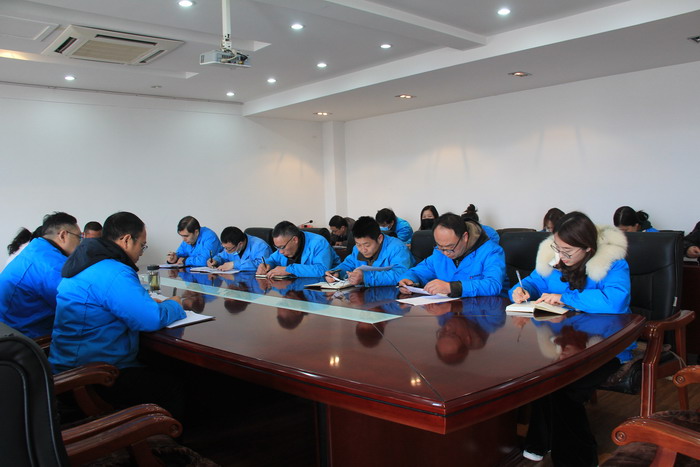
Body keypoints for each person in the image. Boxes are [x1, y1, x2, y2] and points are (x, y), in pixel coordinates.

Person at [508, 211, 631, 465]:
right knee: (540, 376)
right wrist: (519, 290)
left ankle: (578, 458)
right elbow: (532, 283)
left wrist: (565, 298)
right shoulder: (553, 262)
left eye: (567, 251)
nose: (560, 256)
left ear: (587, 248)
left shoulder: (613, 264)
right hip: (564, 342)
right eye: (557, 248)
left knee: (564, 388)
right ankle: (540, 442)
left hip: (605, 347)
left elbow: (615, 301)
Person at [49, 211, 186, 418]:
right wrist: (175, 304)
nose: (142, 252)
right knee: (174, 384)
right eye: (142, 245)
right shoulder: (114, 270)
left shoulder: (85, 263)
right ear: (127, 240)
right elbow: (151, 319)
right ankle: (168, 437)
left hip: (67, 369)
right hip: (92, 377)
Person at [0, 212, 81, 338]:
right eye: (79, 237)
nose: (80, 243)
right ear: (63, 235)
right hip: (25, 337)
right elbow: (75, 305)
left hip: (9, 327)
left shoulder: (35, 248)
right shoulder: (51, 265)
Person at [398, 213, 506, 297]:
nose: (445, 253)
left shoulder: (491, 251)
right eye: (440, 246)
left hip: (483, 312)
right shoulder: (439, 252)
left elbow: (493, 284)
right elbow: (419, 271)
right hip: (449, 310)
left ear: (465, 237)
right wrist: (408, 280)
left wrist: (453, 287)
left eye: (450, 247)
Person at [325, 216, 413, 286]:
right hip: (364, 295)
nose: (363, 249)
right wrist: (337, 273)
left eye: (367, 245)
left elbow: (401, 274)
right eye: (358, 244)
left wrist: (366, 277)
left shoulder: (397, 248)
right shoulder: (356, 249)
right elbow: (348, 264)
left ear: (379, 239)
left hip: (392, 297)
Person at [256, 221, 340, 278]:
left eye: (282, 247)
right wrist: (267, 265)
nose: (280, 252)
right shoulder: (283, 246)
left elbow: (323, 269)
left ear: (295, 240)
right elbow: (272, 260)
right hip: (294, 287)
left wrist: (289, 270)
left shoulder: (319, 242)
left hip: (323, 288)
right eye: (277, 247)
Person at [207, 226, 272, 272]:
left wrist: (234, 264)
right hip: (236, 281)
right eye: (224, 247)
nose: (226, 250)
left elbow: (263, 265)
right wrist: (215, 260)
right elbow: (222, 256)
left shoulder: (260, 246)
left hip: (256, 283)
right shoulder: (230, 246)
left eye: (228, 248)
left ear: (240, 244)